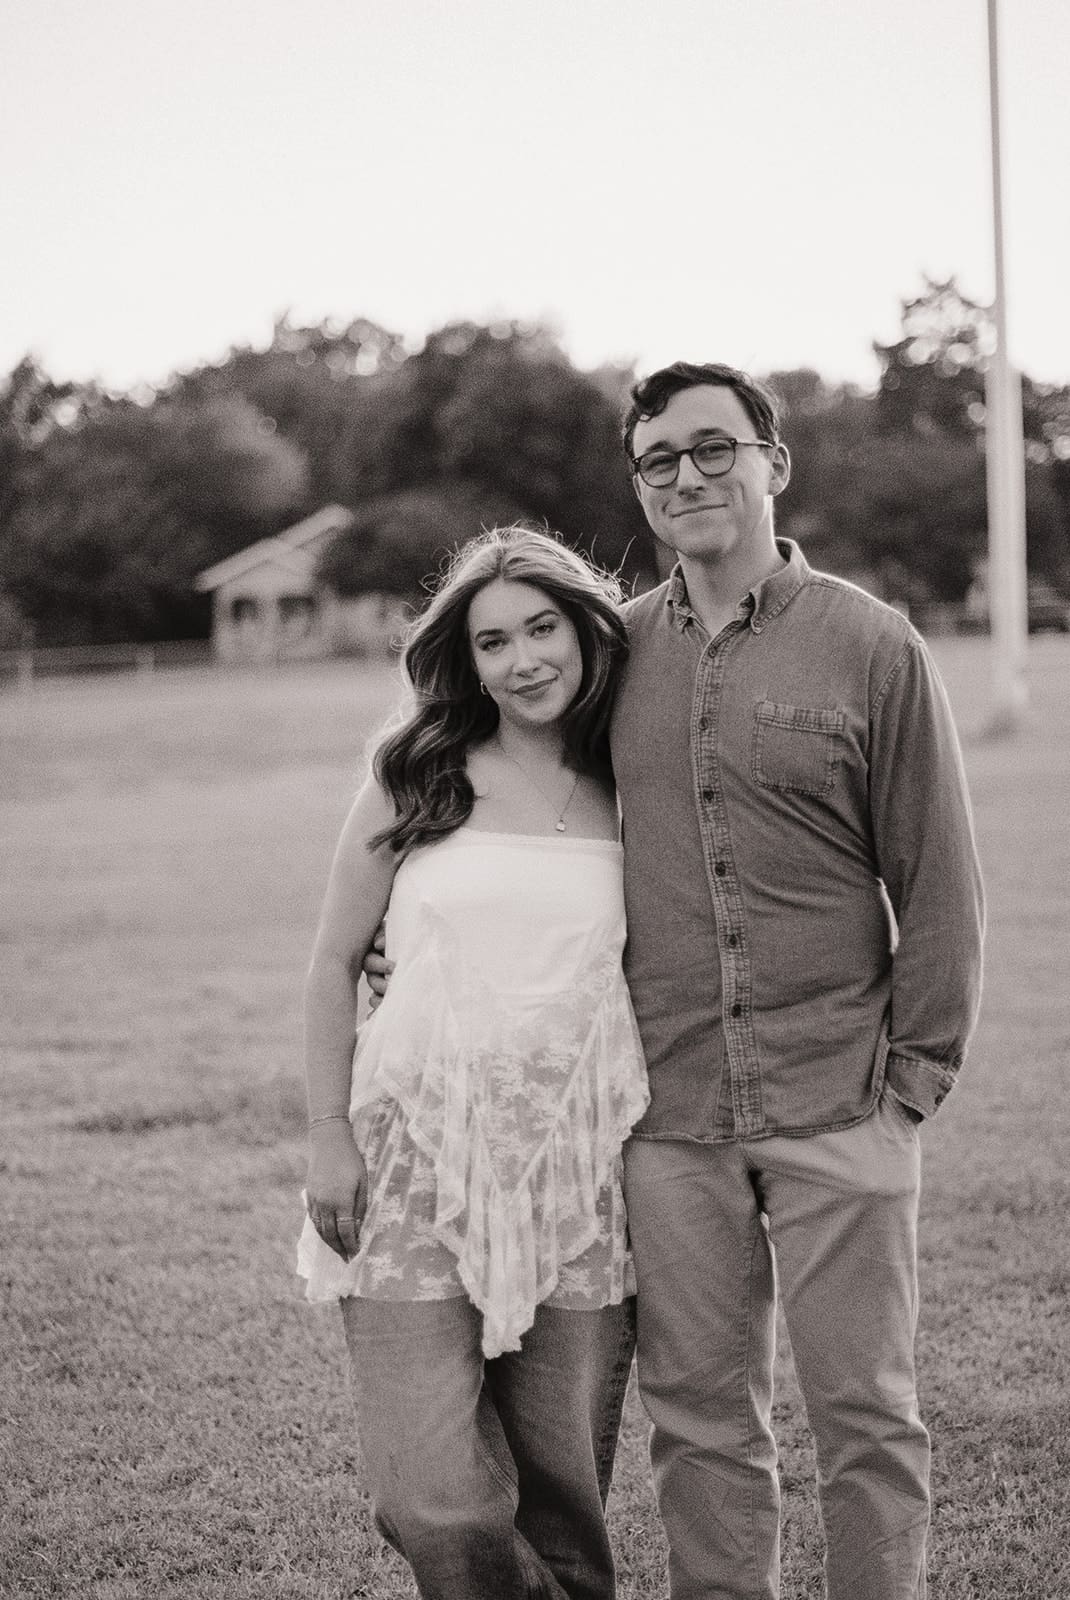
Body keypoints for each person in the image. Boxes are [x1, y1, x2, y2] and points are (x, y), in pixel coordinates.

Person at [610, 361, 985, 1600]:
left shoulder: (871, 645)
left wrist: (911, 1088)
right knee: (701, 1428)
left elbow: (934, 877)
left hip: (841, 1101)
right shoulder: (608, 655)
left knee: (866, 1420)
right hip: (667, 1116)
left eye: (712, 447)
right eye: (658, 458)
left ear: (773, 463)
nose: (686, 476)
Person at [297, 526, 650, 1600]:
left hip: (578, 1173)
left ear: (588, 629)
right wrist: (328, 1134)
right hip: (410, 1164)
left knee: (563, 1487)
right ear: (466, 657)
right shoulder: (415, 774)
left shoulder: (636, 784)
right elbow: (330, 961)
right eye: (492, 641)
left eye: (542, 627)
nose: (521, 659)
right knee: (431, 1492)